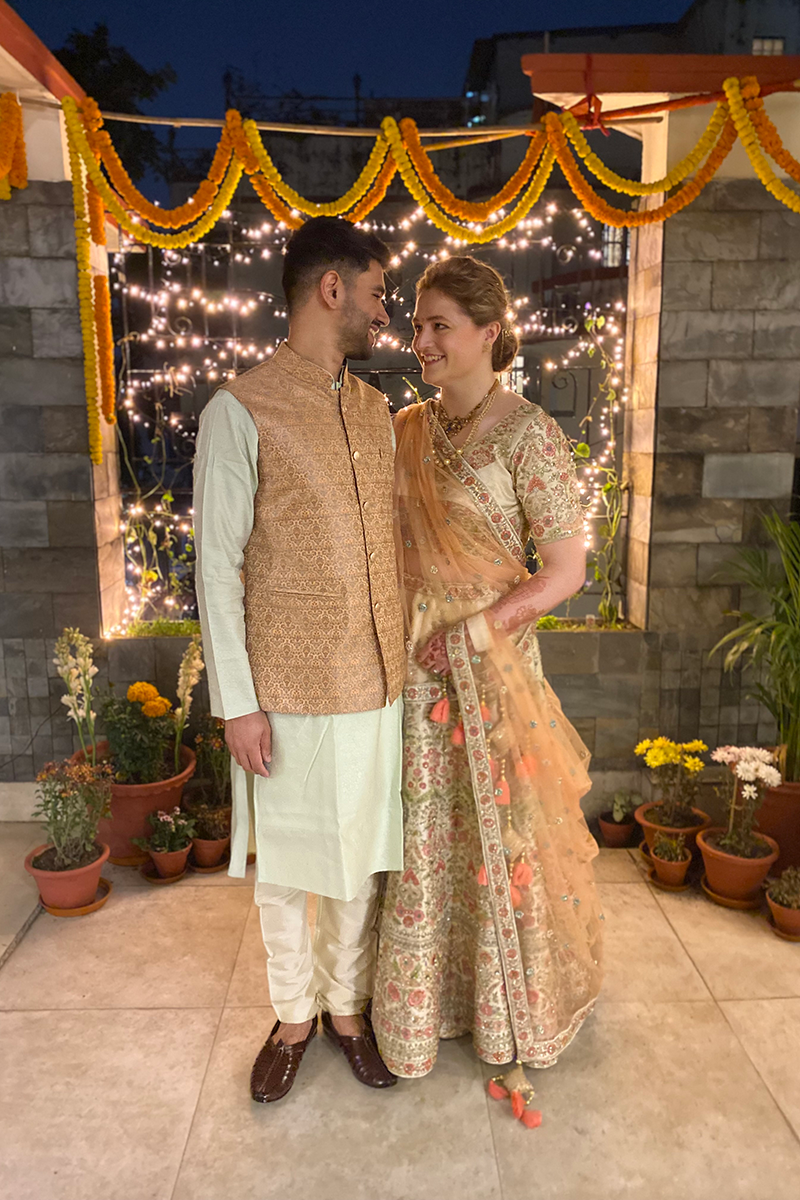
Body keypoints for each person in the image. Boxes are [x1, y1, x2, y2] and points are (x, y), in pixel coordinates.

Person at [372, 256, 603, 1121]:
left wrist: (468, 634)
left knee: (498, 838)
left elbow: (566, 570)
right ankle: (422, 1012)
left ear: (487, 333)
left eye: (440, 326)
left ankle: (510, 1014)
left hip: (488, 666)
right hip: (409, 666)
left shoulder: (529, 434)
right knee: (424, 832)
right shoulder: (404, 428)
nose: (421, 339)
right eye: (418, 323)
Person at [194, 216, 406, 1103]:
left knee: (359, 858)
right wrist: (236, 701)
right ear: (333, 288)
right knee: (285, 866)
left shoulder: (372, 408)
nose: (383, 312)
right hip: (281, 689)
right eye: (377, 293)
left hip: (376, 679)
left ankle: (346, 1011)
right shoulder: (239, 408)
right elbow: (216, 560)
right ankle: (292, 1015)